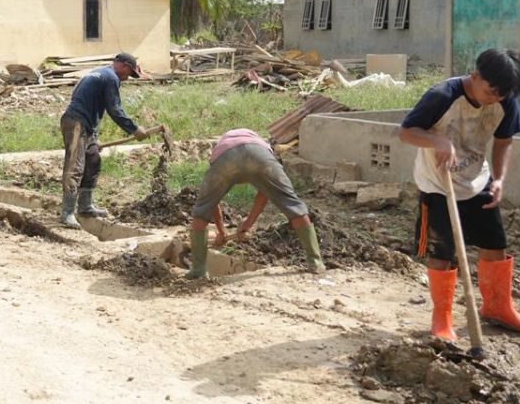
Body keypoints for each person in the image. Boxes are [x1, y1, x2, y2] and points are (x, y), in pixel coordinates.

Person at [399, 48, 520, 342]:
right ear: (475, 76)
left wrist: (499, 179)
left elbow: (503, 142)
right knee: (442, 252)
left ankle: (498, 307)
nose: (495, 98)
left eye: (502, 94)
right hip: (438, 185)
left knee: (494, 245)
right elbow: (407, 132)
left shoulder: (506, 100)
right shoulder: (442, 96)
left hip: (477, 181)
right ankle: (442, 319)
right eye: (491, 91)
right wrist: (436, 139)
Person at [184, 128, 325, 280]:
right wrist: (249, 223)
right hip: (260, 156)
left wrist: (221, 231)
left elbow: (212, 203)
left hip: (227, 158)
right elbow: (265, 192)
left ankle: (198, 270)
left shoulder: (222, 146)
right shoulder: (262, 145)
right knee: (293, 205)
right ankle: (315, 262)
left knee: (201, 210)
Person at [59, 52, 151, 228]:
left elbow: (82, 98)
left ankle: (85, 206)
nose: (126, 78)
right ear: (123, 66)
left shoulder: (99, 73)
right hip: (76, 122)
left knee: (93, 159)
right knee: (75, 166)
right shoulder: (111, 77)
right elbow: (114, 109)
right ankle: (67, 212)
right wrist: (134, 129)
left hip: (84, 124)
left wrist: (92, 136)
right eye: (128, 73)